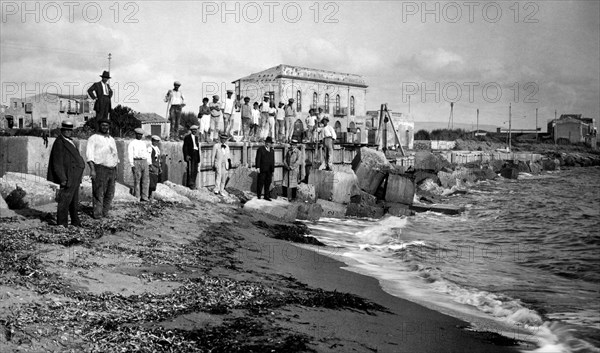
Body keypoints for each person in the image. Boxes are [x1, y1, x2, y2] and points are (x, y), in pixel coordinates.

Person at [47, 120, 85, 226]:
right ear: (62, 130)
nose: (68, 132)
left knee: (74, 200)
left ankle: (75, 221)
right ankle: (62, 223)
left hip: (75, 176)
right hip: (68, 176)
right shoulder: (59, 142)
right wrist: (62, 178)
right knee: (64, 200)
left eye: (70, 130)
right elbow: (57, 163)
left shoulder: (70, 141)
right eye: (66, 130)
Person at [86, 119, 119, 219]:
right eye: (103, 125)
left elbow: (115, 155)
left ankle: (105, 212)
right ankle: (97, 214)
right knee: (98, 192)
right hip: (100, 168)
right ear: (99, 126)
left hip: (111, 169)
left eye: (107, 125)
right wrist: (92, 170)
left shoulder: (111, 139)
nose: (105, 127)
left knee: (110, 193)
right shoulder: (93, 138)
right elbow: (89, 156)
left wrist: (116, 171)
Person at [128, 128, 151, 201]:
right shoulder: (132, 143)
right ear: (135, 134)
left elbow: (147, 154)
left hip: (144, 161)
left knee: (145, 180)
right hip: (136, 161)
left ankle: (144, 196)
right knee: (137, 180)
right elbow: (130, 154)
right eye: (138, 134)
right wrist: (132, 164)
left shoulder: (143, 143)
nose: (139, 136)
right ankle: (137, 197)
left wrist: (148, 163)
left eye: (141, 135)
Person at [255, 136, 275, 200]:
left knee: (268, 183)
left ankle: (266, 196)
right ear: (265, 142)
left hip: (269, 170)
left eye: (269, 143)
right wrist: (258, 167)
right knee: (260, 182)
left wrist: (273, 169)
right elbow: (258, 158)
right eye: (266, 142)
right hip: (262, 169)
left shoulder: (272, 150)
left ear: (270, 144)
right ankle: (259, 195)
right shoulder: (260, 149)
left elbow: (273, 160)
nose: (267, 143)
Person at [183, 125, 201, 189]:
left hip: (195, 154)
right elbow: (185, 147)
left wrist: (198, 158)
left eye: (196, 130)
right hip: (191, 154)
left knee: (195, 170)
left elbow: (198, 148)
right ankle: (190, 184)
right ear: (191, 130)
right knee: (190, 169)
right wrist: (186, 155)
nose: (195, 131)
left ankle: (193, 182)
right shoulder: (187, 137)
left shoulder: (196, 138)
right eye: (193, 130)